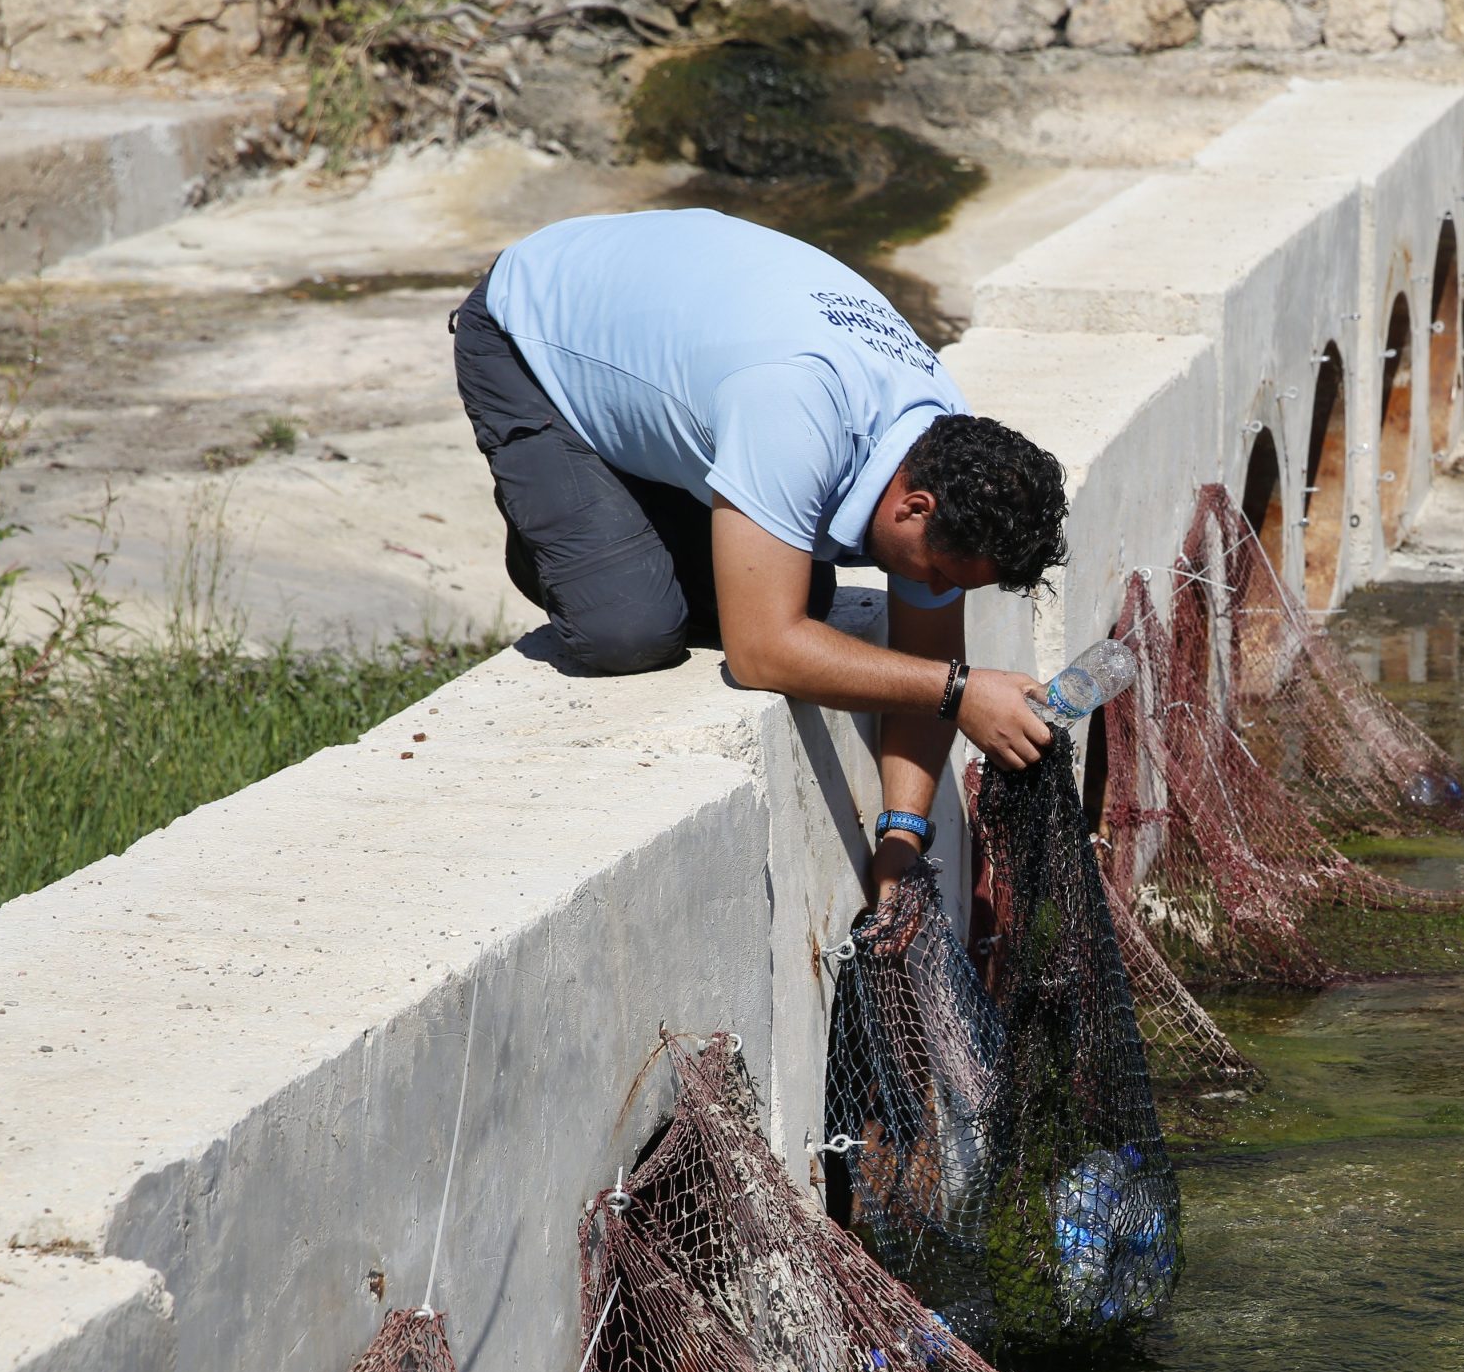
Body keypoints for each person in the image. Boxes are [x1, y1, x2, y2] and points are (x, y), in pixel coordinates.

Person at [449, 207, 1066, 899]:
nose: (936, 589)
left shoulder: (946, 454)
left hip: (682, 320)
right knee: (627, 625)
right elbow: (762, 652)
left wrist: (901, 841)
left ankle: (632, 492)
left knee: (806, 598)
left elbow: (926, 657)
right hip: (529, 327)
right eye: (941, 575)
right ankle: (555, 523)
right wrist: (961, 693)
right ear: (914, 508)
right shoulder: (795, 406)